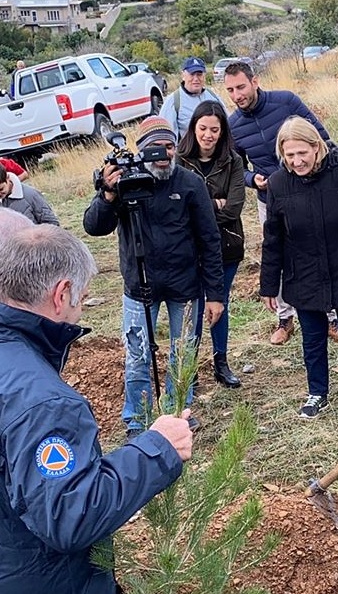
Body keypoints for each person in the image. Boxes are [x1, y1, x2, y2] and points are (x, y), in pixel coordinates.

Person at [0, 224, 193, 594]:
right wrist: (157, 448)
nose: (80, 310)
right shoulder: (44, 403)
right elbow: (69, 515)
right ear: (62, 294)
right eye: (82, 298)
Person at [84, 116, 224, 440]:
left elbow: (210, 240)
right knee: (137, 353)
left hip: (185, 286)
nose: (163, 155)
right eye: (154, 149)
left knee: (183, 352)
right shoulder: (124, 183)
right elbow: (94, 226)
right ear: (141, 151)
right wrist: (107, 193)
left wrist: (215, 293)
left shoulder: (190, 184)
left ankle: (178, 413)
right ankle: (137, 419)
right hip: (138, 286)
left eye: (170, 147)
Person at [261, 117, 338, 418]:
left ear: (317, 147)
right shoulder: (277, 185)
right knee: (312, 338)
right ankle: (317, 393)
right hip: (303, 274)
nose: (297, 161)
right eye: (290, 155)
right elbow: (273, 239)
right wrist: (269, 285)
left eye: (303, 153)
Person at [224, 60, 338, 346]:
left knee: (321, 250)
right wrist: (253, 180)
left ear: (255, 81)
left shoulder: (286, 101)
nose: (237, 94)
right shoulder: (233, 125)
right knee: (280, 254)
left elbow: (321, 138)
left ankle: (332, 316)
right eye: (230, 90)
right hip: (271, 198)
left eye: (241, 86)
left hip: (310, 191)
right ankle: (285, 318)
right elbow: (235, 167)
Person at [178, 101, 245, 389]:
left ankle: (221, 362)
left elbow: (233, 208)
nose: (208, 135)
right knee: (191, 307)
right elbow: (178, 210)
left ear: (222, 131)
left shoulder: (233, 161)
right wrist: (212, 202)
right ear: (194, 128)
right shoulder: (179, 160)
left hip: (226, 245)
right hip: (188, 248)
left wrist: (200, 205)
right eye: (203, 128)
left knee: (219, 303)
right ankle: (189, 369)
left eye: (214, 130)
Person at [160, 57, 227, 140]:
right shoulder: (173, 102)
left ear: (204, 76)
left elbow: (227, 124)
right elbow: (167, 138)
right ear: (183, 75)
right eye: (192, 74)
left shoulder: (213, 97)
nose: (196, 79)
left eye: (199, 74)